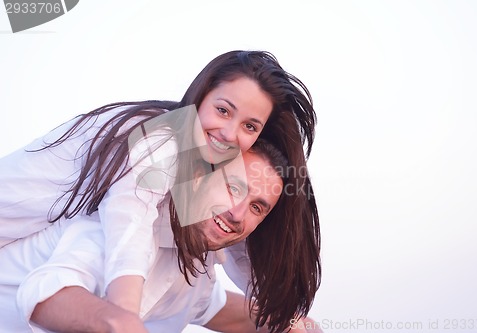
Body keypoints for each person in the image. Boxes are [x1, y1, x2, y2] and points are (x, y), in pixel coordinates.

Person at [0, 50, 320, 331]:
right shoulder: (161, 141)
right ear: (201, 95)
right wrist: (122, 318)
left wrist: (287, 321)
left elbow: (239, 250)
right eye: (223, 110)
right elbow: (129, 225)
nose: (229, 133)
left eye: (249, 126)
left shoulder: (194, 238)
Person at [0, 139, 319, 333]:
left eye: (257, 207)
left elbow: (220, 310)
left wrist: (292, 325)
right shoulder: (125, 226)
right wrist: (118, 323)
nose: (237, 213)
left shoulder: (199, 271)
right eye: (233, 187)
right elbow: (42, 292)